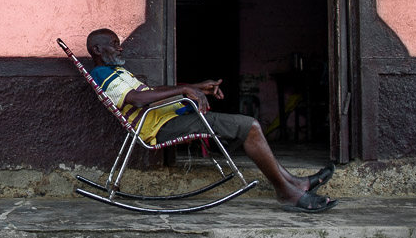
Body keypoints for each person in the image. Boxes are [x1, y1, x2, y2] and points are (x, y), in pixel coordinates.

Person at [87, 28, 338, 213]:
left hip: (170, 117)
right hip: (162, 126)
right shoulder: (102, 73)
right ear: (97, 50)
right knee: (250, 127)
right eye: (114, 43)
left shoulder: (118, 71)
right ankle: (287, 192)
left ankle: (296, 183)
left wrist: (196, 86)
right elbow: (137, 100)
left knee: (248, 127)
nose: (120, 47)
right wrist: (185, 92)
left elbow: (149, 90)